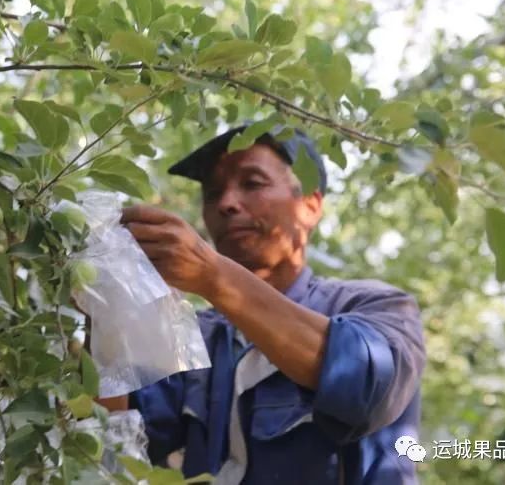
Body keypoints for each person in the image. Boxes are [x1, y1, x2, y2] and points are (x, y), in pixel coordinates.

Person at [99, 124, 426, 484]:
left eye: (252, 183)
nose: (226, 203)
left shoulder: (377, 306)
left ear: (310, 206)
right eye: (212, 193)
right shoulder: (197, 337)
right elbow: (119, 439)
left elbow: (365, 387)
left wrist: (214, 277)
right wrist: (104, 309)